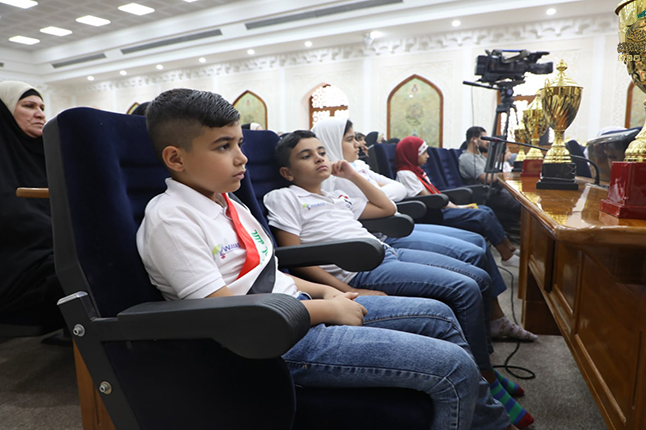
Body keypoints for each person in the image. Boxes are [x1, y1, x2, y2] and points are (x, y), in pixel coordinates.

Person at [136, 88, 521, 430]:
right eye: (224, 147)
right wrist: (325, 310)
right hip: (270, 338)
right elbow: (224, 312)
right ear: (176, 158)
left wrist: (328, 293)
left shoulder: (228, 202)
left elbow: (268, 273)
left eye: (239, 144)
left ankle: (489, 416)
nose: (242, 158)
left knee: (440, 315)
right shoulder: (171, 218)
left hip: (297, 309)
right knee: (453, 367)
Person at [264, 130, 534, 428]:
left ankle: (481, 373)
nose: (318, 158)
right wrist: (347, 289)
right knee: (465, 287)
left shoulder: (334, 195)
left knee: (477, 275)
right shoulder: (285, 196)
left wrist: (353, 175)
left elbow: (387, 208)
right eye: (306, 156)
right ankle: (485, 376)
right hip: (361, 266)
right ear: (287, 173)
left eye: (321, 152)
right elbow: (294, 256)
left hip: (386, 252)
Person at [312, 117, 536, 342]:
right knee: (471, 259)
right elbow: (387, 201)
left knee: (477, 243)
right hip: (386, 234)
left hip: (389, 231)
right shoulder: (336, 181)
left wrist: (379, 194)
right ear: (332, 142)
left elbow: (397, 191)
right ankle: (491, 324)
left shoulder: (355, 169)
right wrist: (380, 194)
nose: (358, 145)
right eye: (350, 139)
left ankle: (494, 319)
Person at [394, 136, 520, 267]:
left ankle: (510, 248)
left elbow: (435, 195)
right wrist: (457, 208)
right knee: (482, 215)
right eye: (424, 153)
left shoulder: (416, 172)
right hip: (433, 215)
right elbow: (430, 199)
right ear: (412, 154)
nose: (428, 156)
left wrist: (459, 206)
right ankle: (506, 256)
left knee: (486, 210)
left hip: (439, 208)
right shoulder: (405, 174)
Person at [0, 81, 64, 327]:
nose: (40, 114)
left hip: (55, 250)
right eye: (29, 106)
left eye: (42, 107)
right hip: (20, 263)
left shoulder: (47, 153)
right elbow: (13, 218)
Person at [459, 126, 521, 231]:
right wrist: (504, 175)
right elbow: (486, 178)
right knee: (520, 203)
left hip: (495, 189)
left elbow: (494, 174)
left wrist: (501, 175)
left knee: (521, 197)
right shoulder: (467, 158)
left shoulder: (480, 157)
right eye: (484, 138)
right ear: (474, 140)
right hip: (484, 193)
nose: (488, 142)